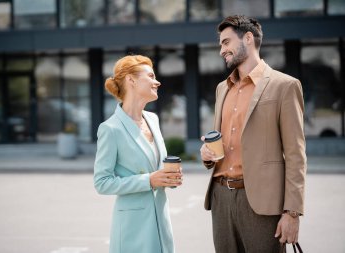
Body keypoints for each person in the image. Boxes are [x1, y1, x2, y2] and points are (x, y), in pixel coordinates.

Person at [200, 15, 307, 253]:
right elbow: (222, 141)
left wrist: (292, 212)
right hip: (221, 198)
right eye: (220, 44)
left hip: (261, 204)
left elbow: (296, 154)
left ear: (248, 38)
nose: (222, 50)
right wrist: (207, 153)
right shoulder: (221, 89)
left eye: (226, 42)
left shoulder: (285, 86)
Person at [94, 55, 183, 253]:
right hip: (132, 229)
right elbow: (102, 182)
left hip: (161, 224)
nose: (157, 81)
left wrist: (169, 177)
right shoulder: (110, 129)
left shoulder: (153, 119)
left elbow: (157, 169)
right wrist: (149, 180)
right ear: (131, 80)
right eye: (151, 76)